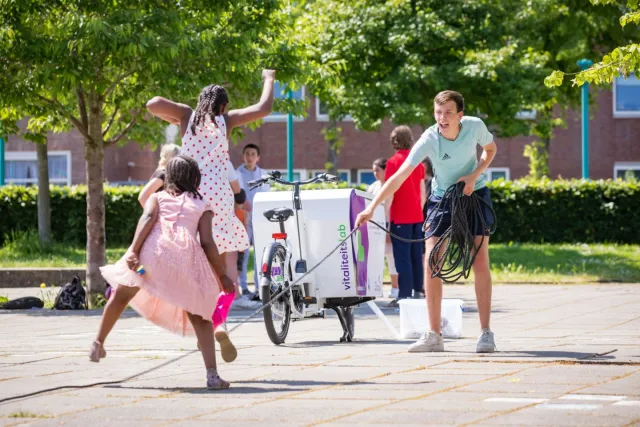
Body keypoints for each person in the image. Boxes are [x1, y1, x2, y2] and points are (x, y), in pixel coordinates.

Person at [355, 90, 498, 354]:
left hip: (474, 194)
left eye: (448, 113)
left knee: (480, 259)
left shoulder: (475, 127)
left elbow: (490, 150)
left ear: (460, 116)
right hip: (443, 199)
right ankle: (434, 335)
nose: (442, 118)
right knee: (431, 259)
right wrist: (372, 208)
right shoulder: (429, 138)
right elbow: (398, 177)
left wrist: (474, 174)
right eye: (438, 112)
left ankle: (486, 333)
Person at [145, 69, 276, 342]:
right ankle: (219, 321)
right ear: (223, 106)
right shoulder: (226, 121)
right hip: (220, 198)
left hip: (191, 195)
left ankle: (190, 305)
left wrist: (176, 114)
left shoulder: (187, 116)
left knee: (193, 251)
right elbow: (264, 107)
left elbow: (152, 103)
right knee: (226, 261)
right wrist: (268, 78)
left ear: (201, 101)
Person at [92, 155, 234, 390]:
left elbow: (146, 219)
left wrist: (133, 252)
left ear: (169, 177)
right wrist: (222, 275)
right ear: (195, 178)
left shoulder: (156, 197)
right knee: (199, 315)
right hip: (183, 263)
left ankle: (98, 342)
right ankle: (212, 375)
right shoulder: (202, 204)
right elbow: (208, 243)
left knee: (121, 294)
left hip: (149, 259)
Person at [384, 126, 426, 307]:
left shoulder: (392, 163)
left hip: (400, 217)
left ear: (394, 141)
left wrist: (386, 219)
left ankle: (404, 295)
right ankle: (419, 290)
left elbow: (389, 193)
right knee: (417, 255)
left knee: (402, 257)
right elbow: (423, 193)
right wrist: (419, 211)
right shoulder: (418, 163)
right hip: (417, 217)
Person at [236, 143, 270, 295]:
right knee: (243, 253)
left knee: (260, 254)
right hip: (243, 218)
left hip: (259, 219)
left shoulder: (264, 175)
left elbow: (266, 197)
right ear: (243, 156)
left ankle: (259, 287)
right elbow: (239, 195)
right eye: (247, 154)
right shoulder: (237, 174)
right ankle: (243, 287)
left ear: (258, 157)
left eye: (252, 154)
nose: (250, 157)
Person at [367, 158, 399, 300]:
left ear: (385, 170)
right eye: (373, 170)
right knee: (375, 258)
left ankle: (395, 287)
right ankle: (375, 286)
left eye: (377, 170)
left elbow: (390, 209)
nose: (375, 173)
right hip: (373, 226)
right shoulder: (373, 186)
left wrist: (388, 229)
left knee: (391, 257)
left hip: (386, 224)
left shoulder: (389, 185)